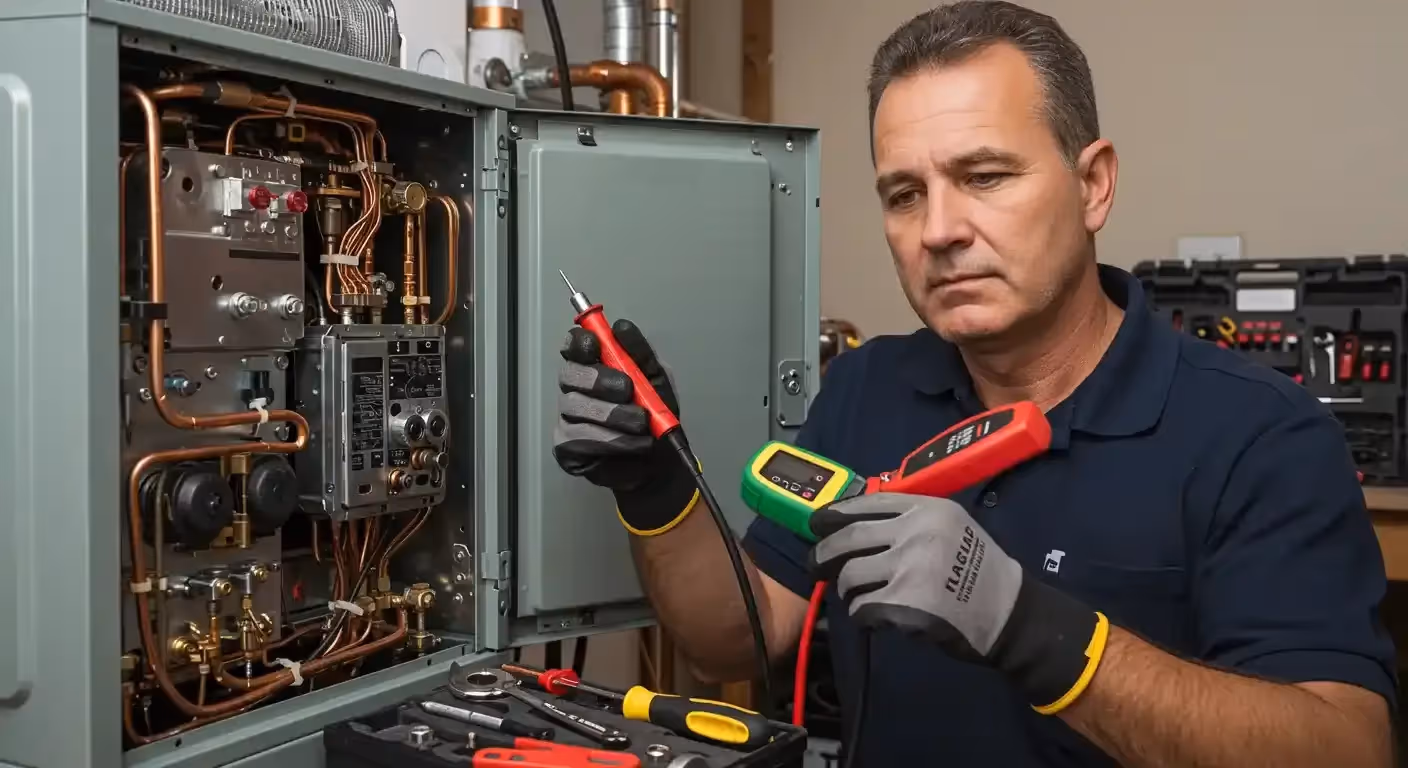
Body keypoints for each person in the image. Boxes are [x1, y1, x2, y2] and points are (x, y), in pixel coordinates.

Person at [550, 2, 1397, 765]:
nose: (940, 230)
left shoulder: (1260, 434)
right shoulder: (869, 386)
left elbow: (1347, 748)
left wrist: (1030, 627)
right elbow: (737, 639)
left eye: (985, 177)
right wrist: (655, 485)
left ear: (1093, 184)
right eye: (904, 194)